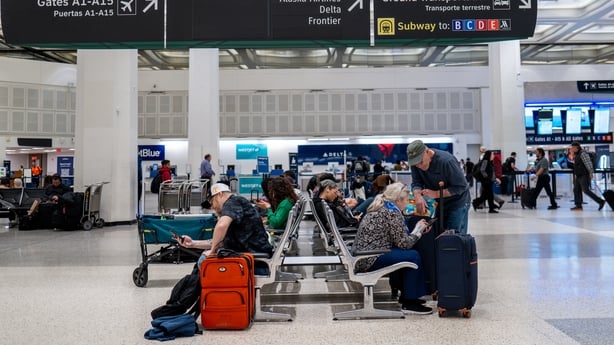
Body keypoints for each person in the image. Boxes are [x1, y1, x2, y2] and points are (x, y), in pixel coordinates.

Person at [352, 182, 432, 314]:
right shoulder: (392, 212)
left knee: (405, 254)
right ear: (398, 200)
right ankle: (410, 302)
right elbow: (404, 243)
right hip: (370, 257)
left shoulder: (383, 207)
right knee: (413, 256)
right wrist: (418, 231)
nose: (408, 203)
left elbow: (398, 239)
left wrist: (416, 231)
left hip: (365, 255)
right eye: (406, 200)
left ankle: (407, 295)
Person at [176, 183, 273, 272]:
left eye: (212, 202)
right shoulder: (237, 205)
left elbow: (221, 226)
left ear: (220, 194)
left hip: (254, 261)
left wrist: (213, 252)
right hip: (249, 257)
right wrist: (192, 243)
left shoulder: (232, 202)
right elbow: (219, 241)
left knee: (205, 262)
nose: (212, 207)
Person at [406, 140, 471, 234]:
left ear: (427, 152)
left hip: (457, 202)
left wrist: (436, 193)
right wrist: (417, 195)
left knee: (455, 236)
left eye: (420, 162)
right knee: (440, 234)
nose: (418, 166)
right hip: (439, 203)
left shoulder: (447, 161)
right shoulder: (415, 164)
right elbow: (416, 182)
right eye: (415, 163)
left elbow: (461, 187)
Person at [569, 142, 606, 211]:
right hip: (579, 175)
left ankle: (601, 201)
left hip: (584, 175)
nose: (571, 149)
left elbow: (588, 163)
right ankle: (578, 205)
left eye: (572, 147)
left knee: (586, 190)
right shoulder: (576, 154)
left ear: (576, 147)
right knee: (576, 189)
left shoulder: (583, 153)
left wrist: (591, 173)